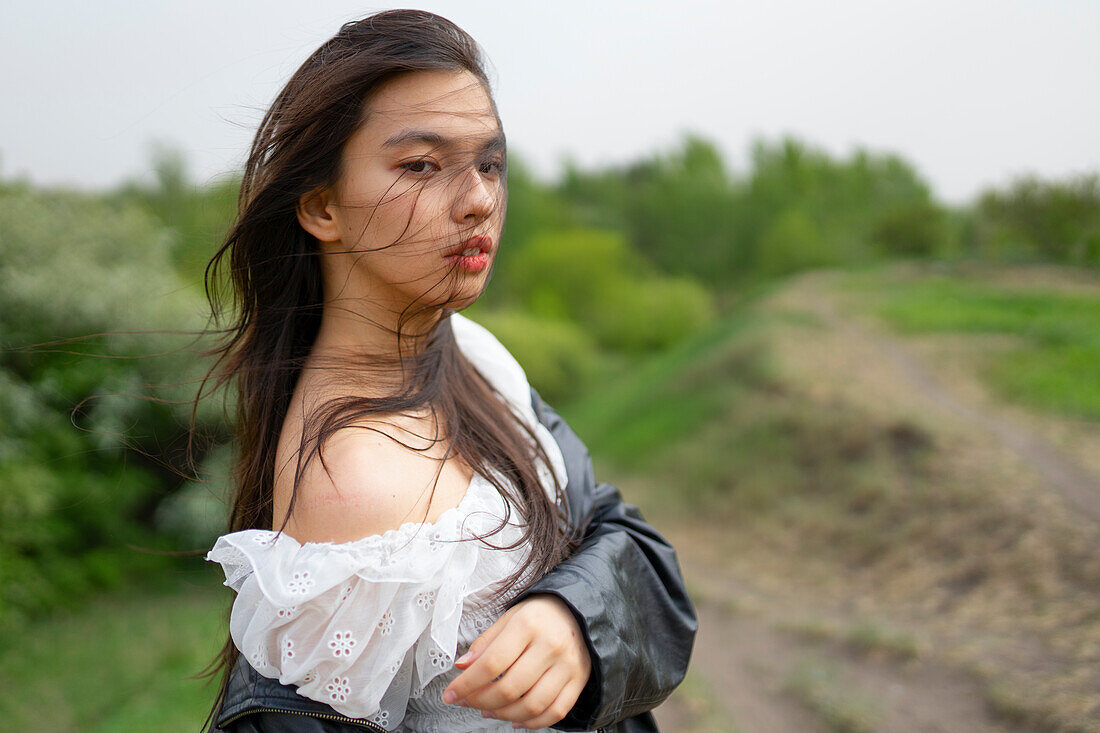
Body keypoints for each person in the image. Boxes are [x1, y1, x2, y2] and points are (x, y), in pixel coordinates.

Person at [200, 9, 696, 732]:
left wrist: (573, 616)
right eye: (421, 166)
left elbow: (619, 529)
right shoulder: (354, 483)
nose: (479, 201)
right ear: (321, 206)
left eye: (489, 164)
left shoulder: (469, 350)